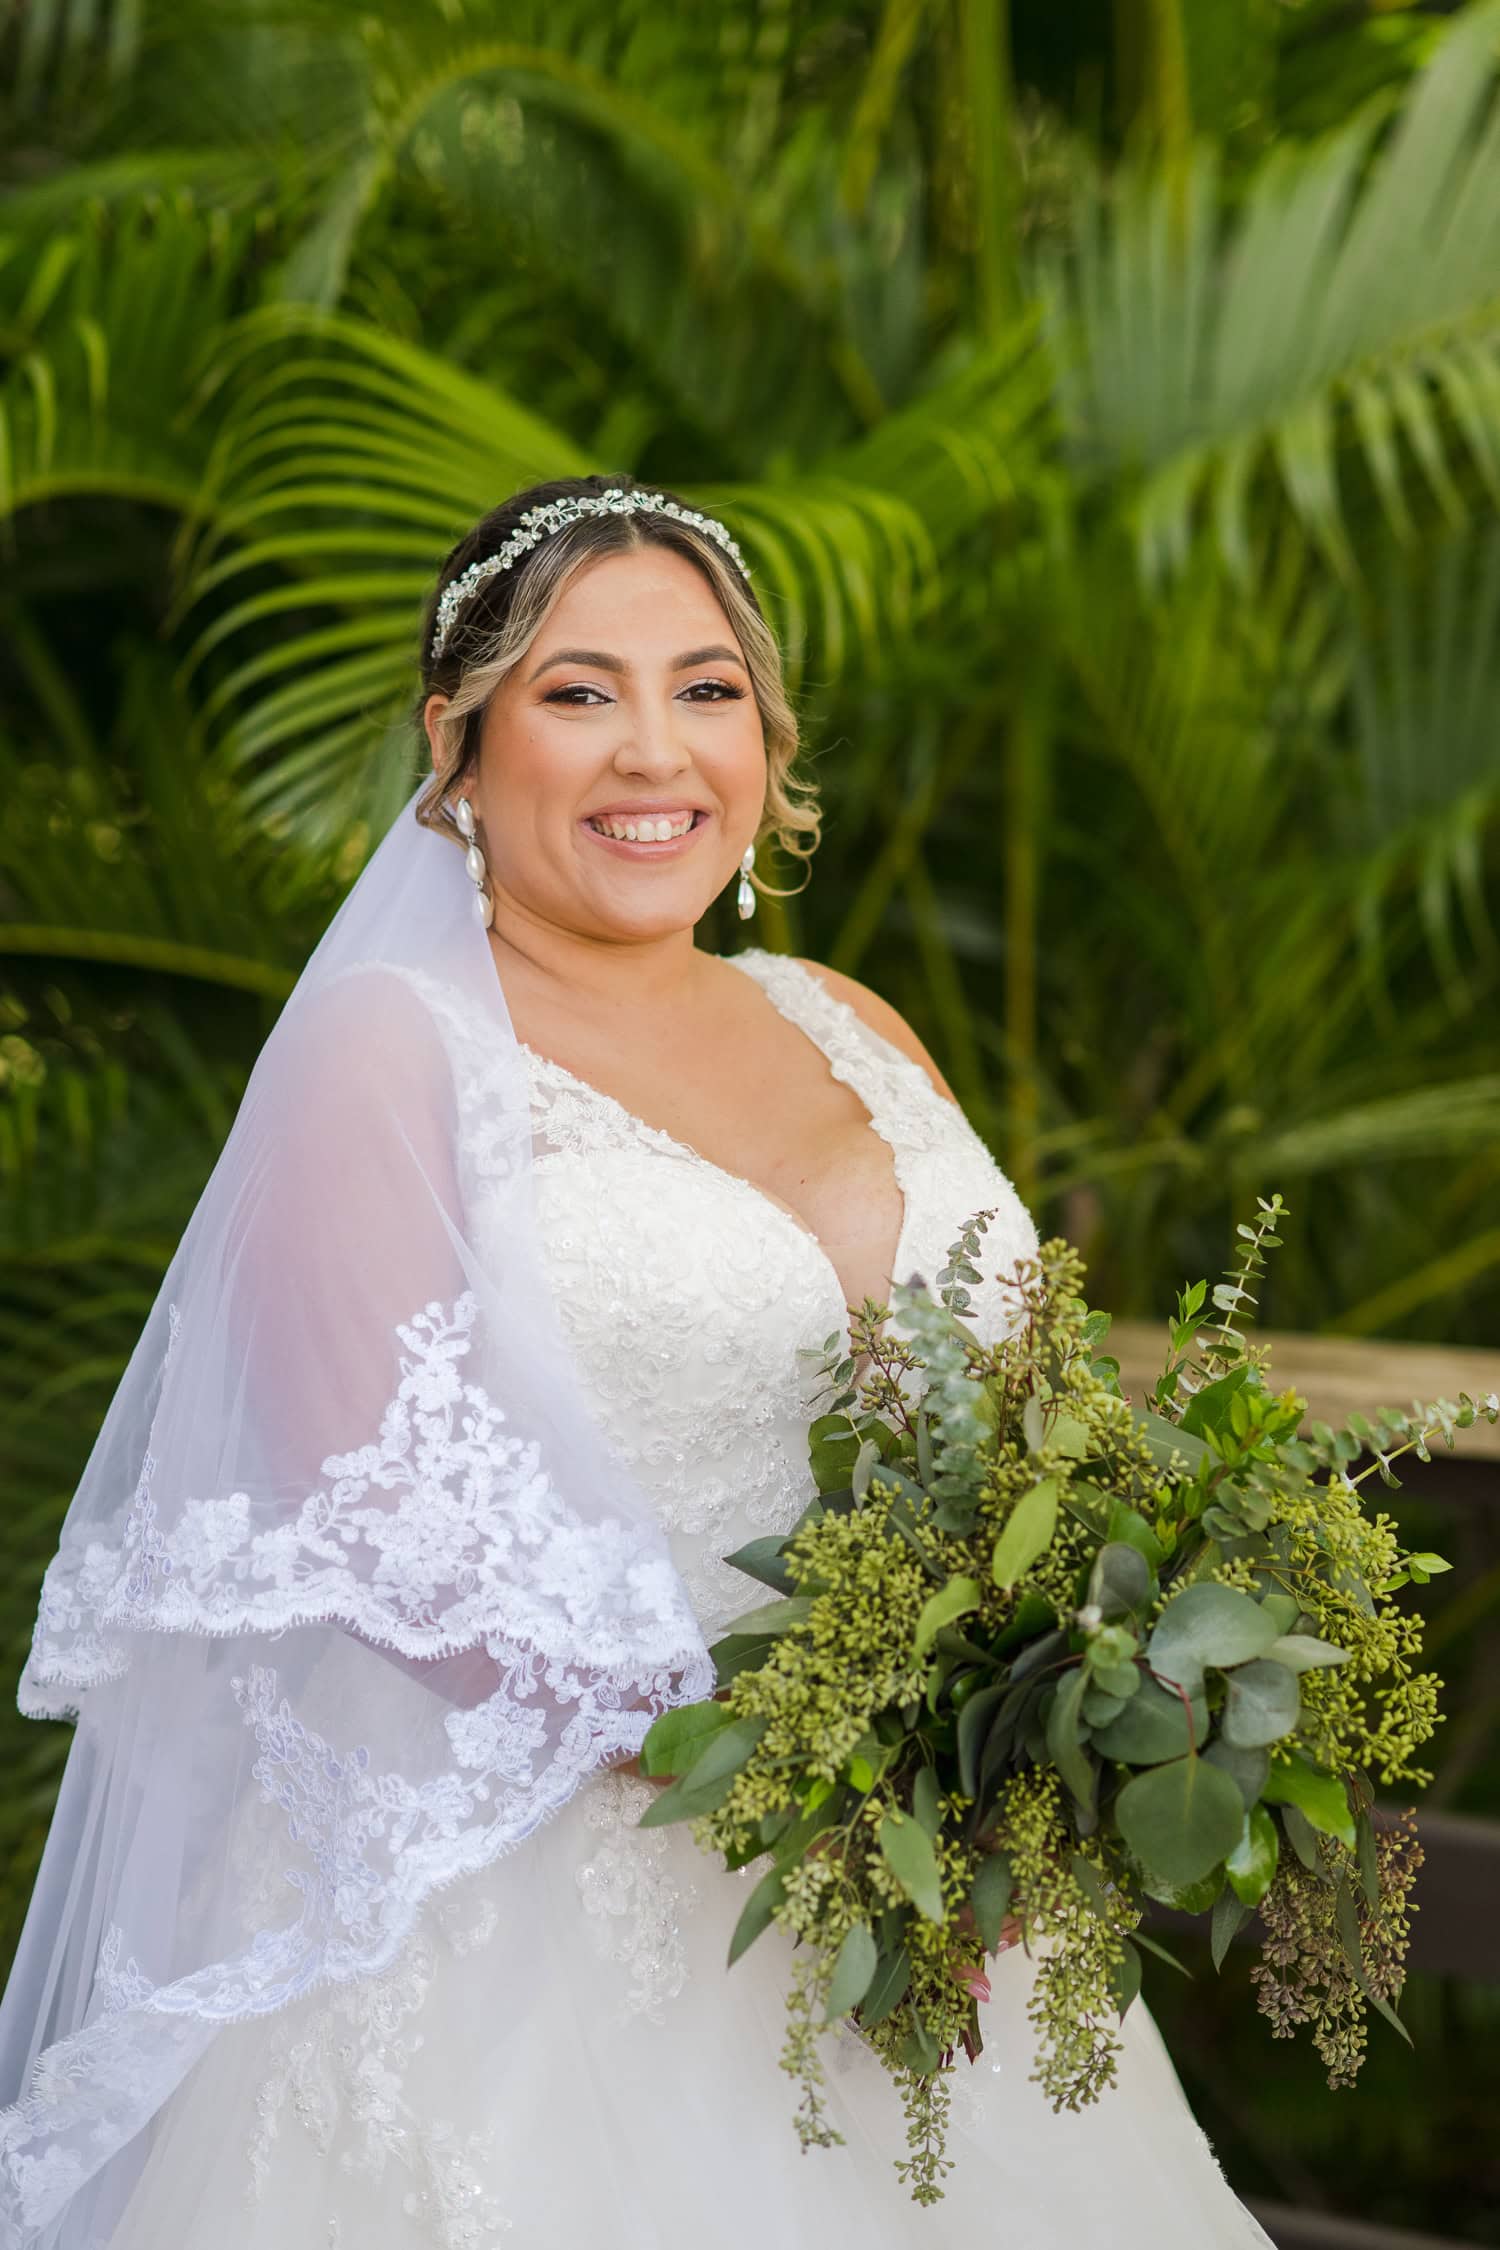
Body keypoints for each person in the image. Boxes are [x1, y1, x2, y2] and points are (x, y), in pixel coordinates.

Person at [0, 475, 1277, 2246]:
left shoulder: (850, 1017)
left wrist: (1042, 1724)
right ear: (454, 744)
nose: (651, 749)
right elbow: (392, 1537)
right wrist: (805, 1779)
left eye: (707, 689)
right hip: (539, 1956)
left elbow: (1032, 1424)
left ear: (764, 741)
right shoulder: (392, 1051)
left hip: (944, 1918)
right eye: (579, 691)